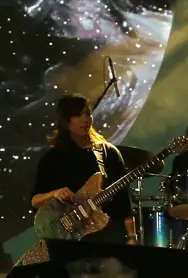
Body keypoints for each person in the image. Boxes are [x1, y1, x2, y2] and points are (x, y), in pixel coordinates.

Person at [30, 94, 136, 244]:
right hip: (71, 241)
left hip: (109, 236)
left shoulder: (108, 152)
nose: (85, 119)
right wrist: (55, 193)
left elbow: (124, 201)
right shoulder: (52, 159)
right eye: (78, 114)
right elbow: (35, 201)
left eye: (88, 113)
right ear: (66, 120)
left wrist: (131, 237)